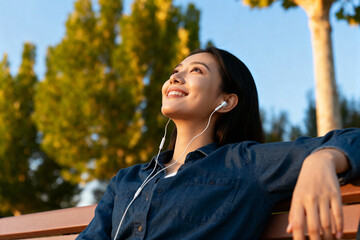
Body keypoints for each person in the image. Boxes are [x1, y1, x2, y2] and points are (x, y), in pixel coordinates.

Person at [77, 47, 360, 240]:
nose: (175, 77)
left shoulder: (245, 165)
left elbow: (353, 139)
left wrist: (322, 159)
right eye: (177, 70)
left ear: (225, 102)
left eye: (196, 71)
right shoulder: (126, 180)